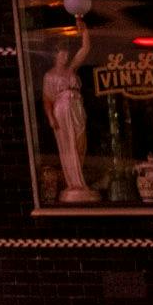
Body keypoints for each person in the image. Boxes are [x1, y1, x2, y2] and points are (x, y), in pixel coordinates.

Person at [44, 16, 97, 203]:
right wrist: (50, 117)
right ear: (55, 56)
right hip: (63, 110)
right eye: (62, 54)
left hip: (76, 108)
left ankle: (79, 179)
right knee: (68, 145)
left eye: (67, 54)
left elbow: (85, 49)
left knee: (81, 142)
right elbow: (47, 99)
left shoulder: (71, 69)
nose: (65, 57)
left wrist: (84, 30)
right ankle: (74, 183)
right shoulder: (50, 76)